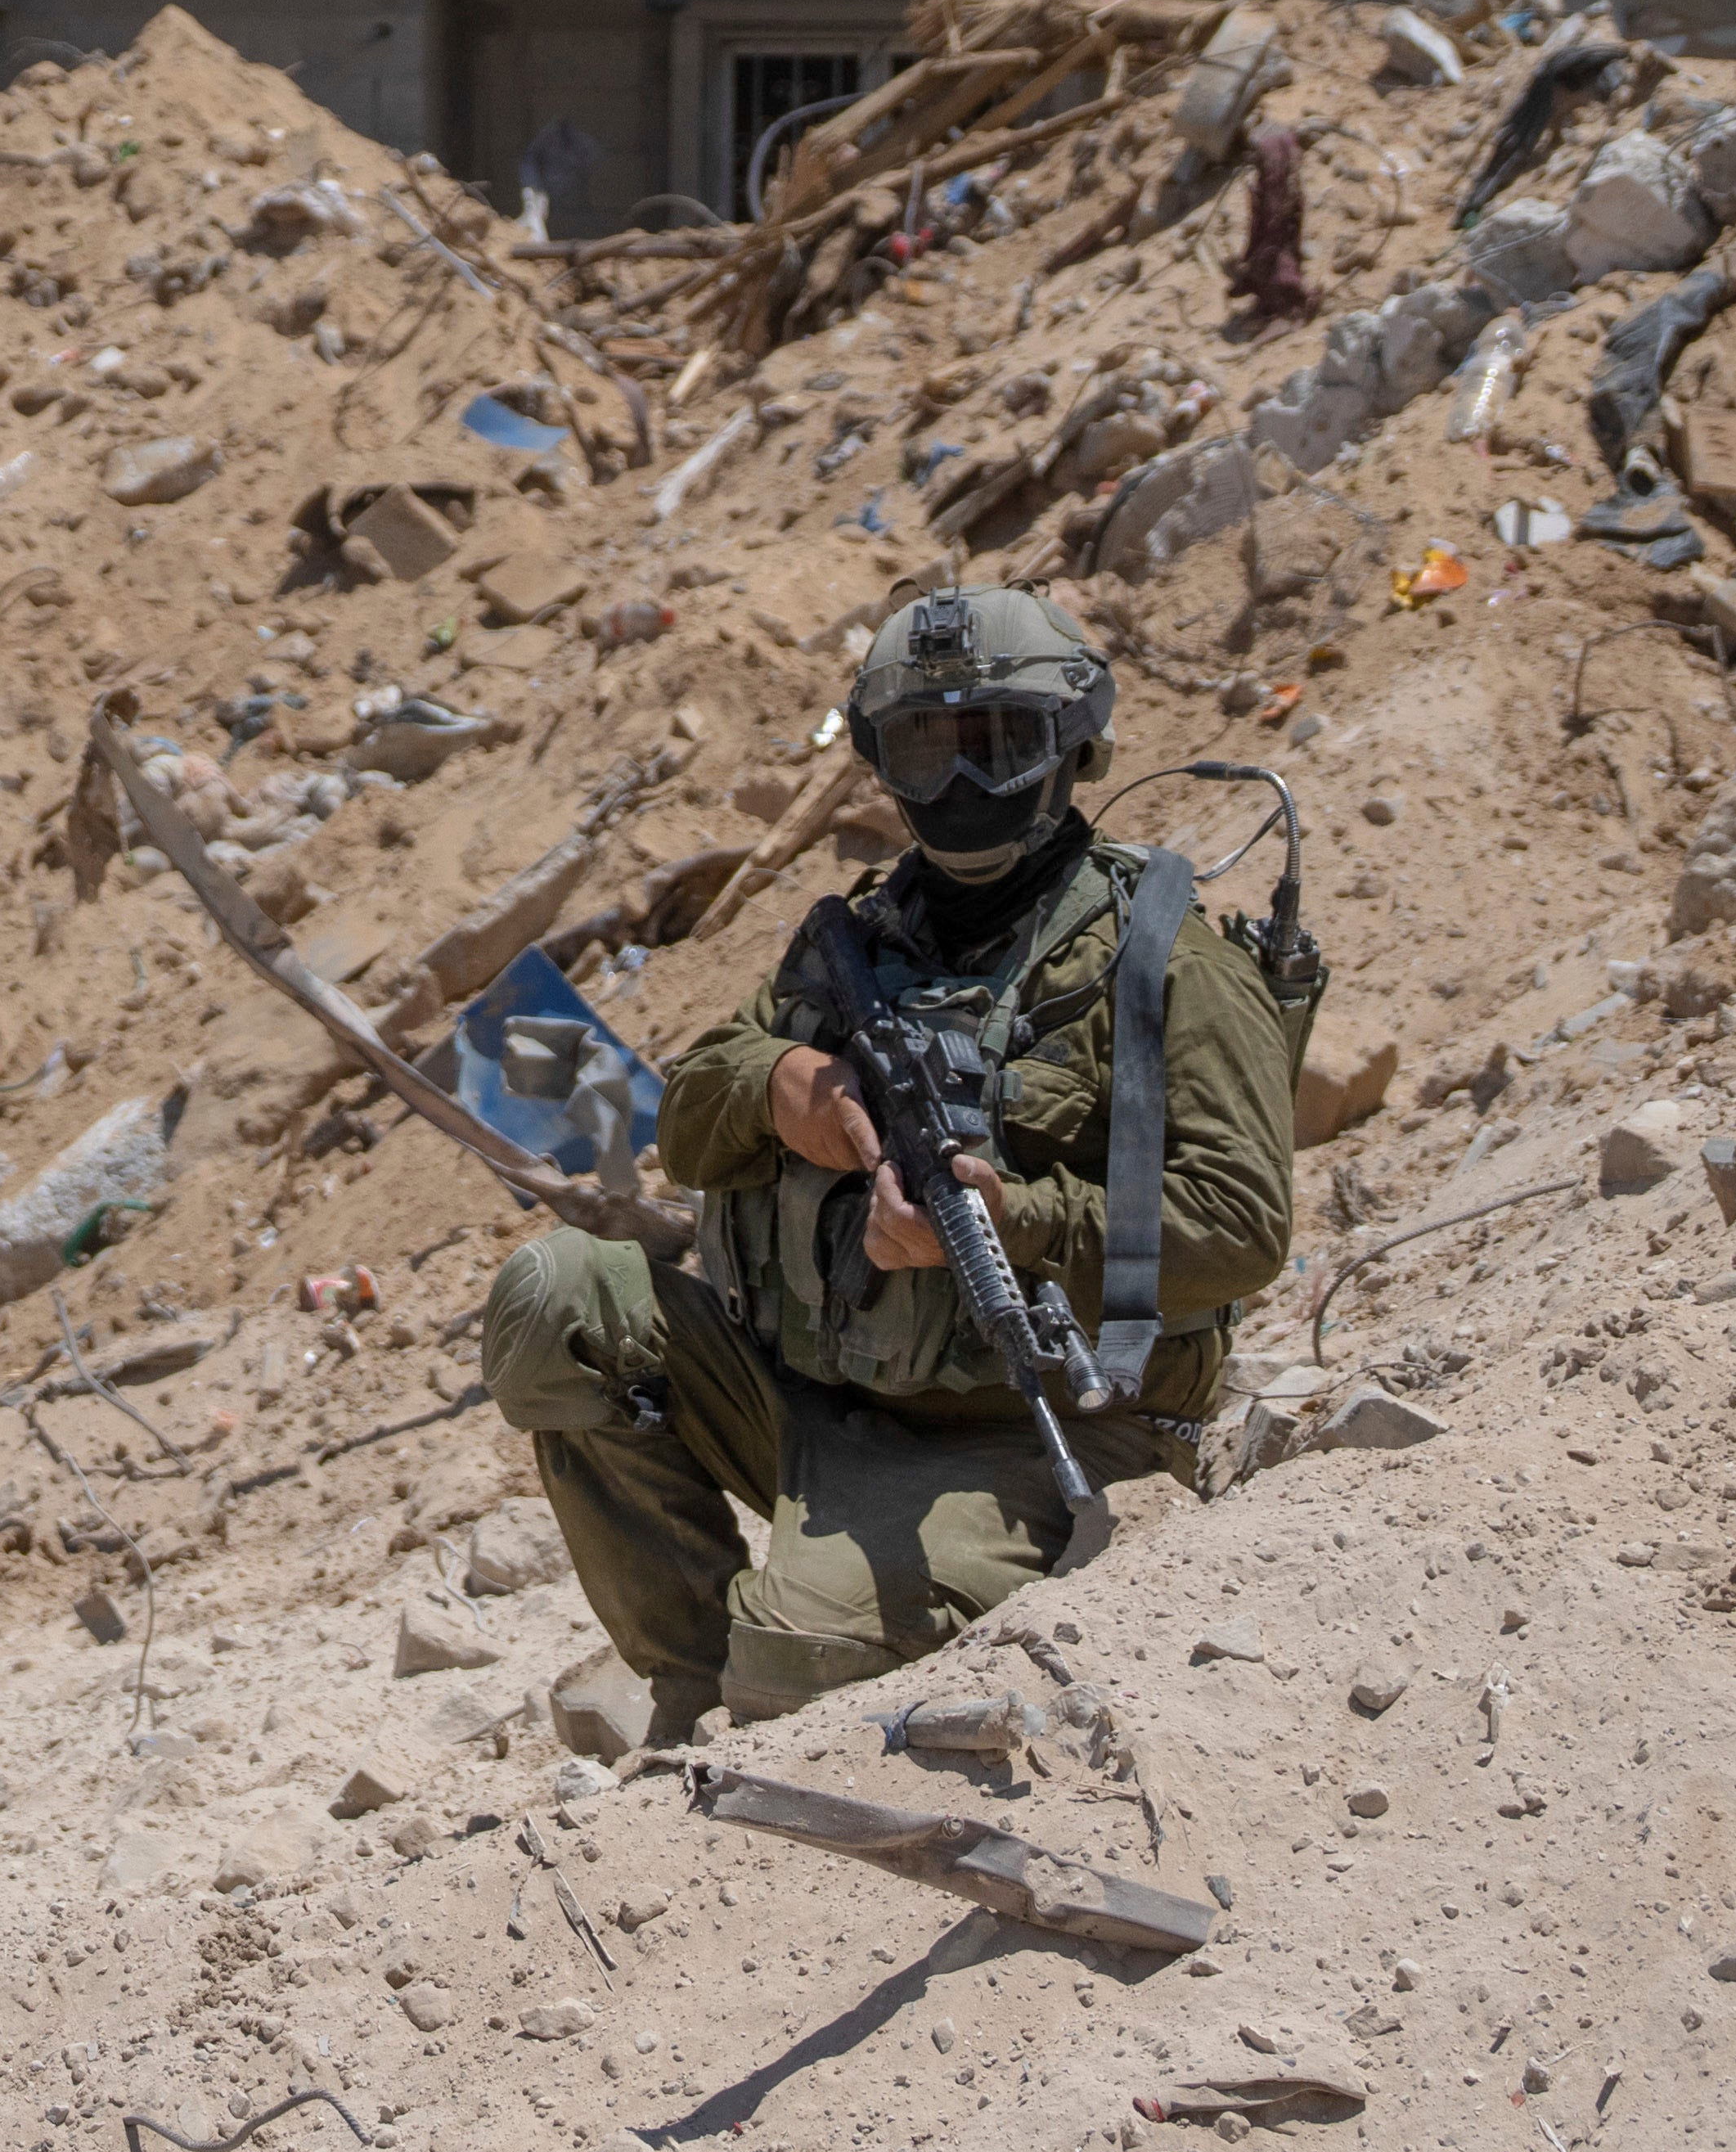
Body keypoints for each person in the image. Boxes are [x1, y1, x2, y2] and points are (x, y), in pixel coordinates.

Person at [486, 585, 1293, 1734]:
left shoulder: (1163, 962)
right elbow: (686, 1125)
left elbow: (1241, 1226)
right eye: (925, 748)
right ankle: (686, 1686)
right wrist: (782, 1089)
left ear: (1074, 745)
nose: (960, 784)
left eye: (996, 744)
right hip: (813, 1403)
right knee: (552, 1297)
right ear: (879, 761)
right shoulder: (851, 946)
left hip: (1033, 1429)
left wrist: (1013, 1217)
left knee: (798, 1664)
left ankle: (768, 1660)